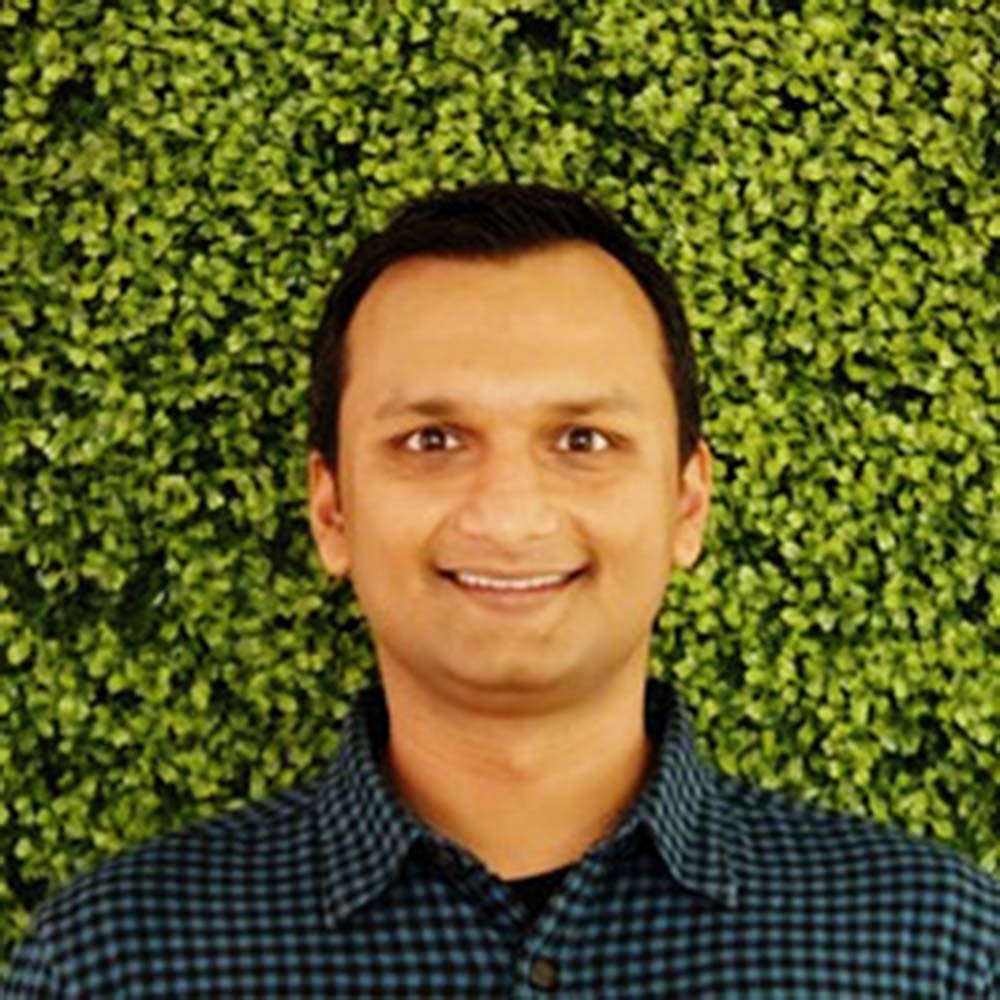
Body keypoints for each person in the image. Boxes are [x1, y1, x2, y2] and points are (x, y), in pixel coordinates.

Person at [4, 182, 997, 998]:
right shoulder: (112, 964)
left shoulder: (934, 950)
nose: (510, 515)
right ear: (332, 509)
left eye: (583, 439)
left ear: (685, 502)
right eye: (431, 440)